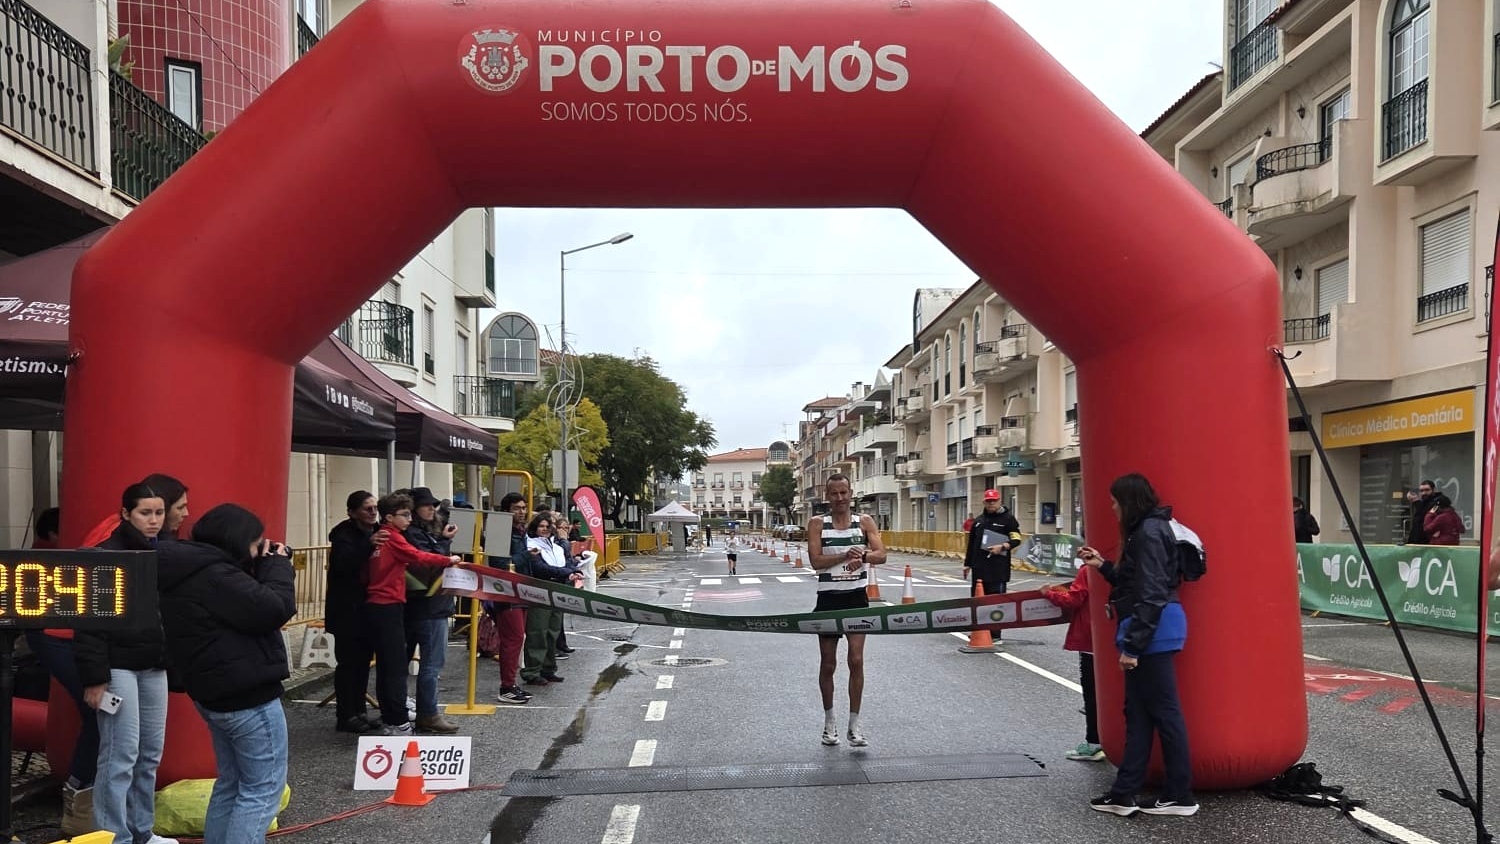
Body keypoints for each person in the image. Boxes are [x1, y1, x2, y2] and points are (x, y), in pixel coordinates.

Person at [156, 504, 296, 844]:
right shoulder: (218, 576)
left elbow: (246, 609)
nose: (257, 549)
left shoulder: (186, 568)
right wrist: (276, 566)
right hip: (247, 696)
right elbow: (272, 609)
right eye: (255, 543)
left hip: (213, 693)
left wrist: (259, 566)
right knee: (262, 790)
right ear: (238, 541)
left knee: (232, 784)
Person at [1079, 473, 1195, 818]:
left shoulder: (1147, 533)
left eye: (1115, 502)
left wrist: (1133, 647)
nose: (1112, 508)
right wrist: (1101, 565)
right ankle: (1124, 793)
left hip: (1151, 632)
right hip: (1156, 628)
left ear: (1128, 502)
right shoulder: (1152, 529)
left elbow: (1151, 592)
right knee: (1141, 714)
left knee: (1164, 713)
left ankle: (1179, 795)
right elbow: (1135, 583)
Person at [76, 483, 175, 844]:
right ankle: (112, 836)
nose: (153, 520)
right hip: (117, 666)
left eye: (159, 512)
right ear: (125, 514)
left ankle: (140, 832)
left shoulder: (161, 551)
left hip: (152, 663)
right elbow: (89, 623)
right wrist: (95, 678)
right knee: (120, 754)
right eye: (145, 513)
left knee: (149, 754)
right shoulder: (107, 554)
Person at [367, 492, 460, 736]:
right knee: (402, 666)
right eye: (405, 514)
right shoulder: (395, 536)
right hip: (398, 603)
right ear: (390, 517)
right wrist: (447, 559)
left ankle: (396, 715)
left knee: (394, 665)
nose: (432, 510)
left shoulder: (390, 535)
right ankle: (401, 719)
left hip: (395, 603)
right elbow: (419, 557)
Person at [806, 473, 887, 748]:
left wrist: (863, 555)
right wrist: (845, 555)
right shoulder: (817, 524)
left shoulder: (864, 522)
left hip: (856, 599)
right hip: (828, 599)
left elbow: (882, 555)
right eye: (834, 494)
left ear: (850, 493)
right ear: (827, 496)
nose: (840, 498)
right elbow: (816, 561)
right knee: (828, 663)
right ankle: (829, 723)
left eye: (844, 493)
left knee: (856, 660)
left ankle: (854, 725)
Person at [325, 491, 387, 733]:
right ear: (352, 512)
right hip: (347, 611)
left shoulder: (377, 529)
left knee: (363, 663)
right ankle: (345, 714)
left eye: (374, 508)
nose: (372, 513)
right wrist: (367, 545)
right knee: (348, 665)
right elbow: (344, 563)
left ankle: (360, 710)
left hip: (368, 608)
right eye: (367, 508)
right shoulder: (343, 535)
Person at [402, 487, 460, 734]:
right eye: (426, 505)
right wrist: (446, 544)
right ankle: (428, 713)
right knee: (432, 663)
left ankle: (407, 710)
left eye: (434, 505)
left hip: (421, 604)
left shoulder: (419, 532)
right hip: (428, 605)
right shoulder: (414, 534)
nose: (432, 509)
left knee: (414, 662)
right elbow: (428, 561)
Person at [1039, 565, 1104, 762]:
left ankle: (1094, 744)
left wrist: (1048, 593)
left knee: (1093, 696)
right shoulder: (1120, 564)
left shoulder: (1089, 570)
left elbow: (1073, 600)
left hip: (1090, 639)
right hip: (1114, 640)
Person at [518, 513, 584, 687]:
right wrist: (566, 572)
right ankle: (532, 671)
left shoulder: (555, 545)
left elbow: (566, 562)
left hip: (557, 589)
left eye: (548, 526)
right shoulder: (531, 544)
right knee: (537, 631)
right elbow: (540, 568)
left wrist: (574, 570)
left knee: (552, 630)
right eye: (542, 526)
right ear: (534, 527)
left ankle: (548, 668)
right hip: (540, 590)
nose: (546, 529)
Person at [964, 489, 1022, 642]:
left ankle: (995, 634)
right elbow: (971, 545)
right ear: (984, 502)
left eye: (994, 501)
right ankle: (979, 630)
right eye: (988, 501)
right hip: (979, 568)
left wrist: (1003, 546)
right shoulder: (978, 521)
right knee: (978, 601)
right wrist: (967, 564)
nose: (991, 504)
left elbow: (1017, 539)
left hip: (998, 569)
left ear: (999, 501)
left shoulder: (1008, 520)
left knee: (996, 602)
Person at [491, 493, 532, 705]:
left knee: (517, 638)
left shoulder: (520, 532)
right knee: (512, 639)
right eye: (517, 508)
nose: (522, 512)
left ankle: (511, 683)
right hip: (506, 592)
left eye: (524, 508)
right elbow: (498, 564)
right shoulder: (500, 531)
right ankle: (506, 686)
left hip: (521, 590)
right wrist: (527, 556)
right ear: (506, 510)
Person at [1406, 480, 1436, 545]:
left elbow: (1425, 515)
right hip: (1417, 541)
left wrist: (1415, 501)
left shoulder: (1437, 503)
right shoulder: (1423, 503)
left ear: (1433, 490)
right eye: (1421, 491)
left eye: (1427, 490)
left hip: (1427, 543)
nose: (1424, 493)